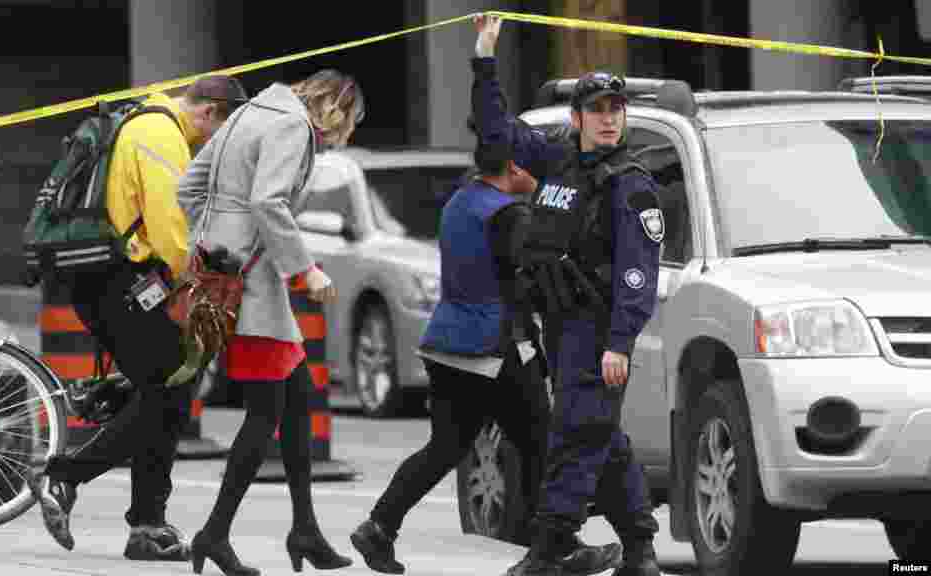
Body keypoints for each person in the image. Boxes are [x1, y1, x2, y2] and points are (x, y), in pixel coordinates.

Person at [470, 14, 663, 576]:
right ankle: (642, 550)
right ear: (577, 118)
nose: (608, 120)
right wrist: (485, 56)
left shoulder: (630, 183)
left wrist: (621, 342)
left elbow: (638, 272)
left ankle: (550, 549)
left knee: (577, 435)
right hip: (560, 323)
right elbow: (497, 132)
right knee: (603, 436)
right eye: (598, 111)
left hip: (600, 329)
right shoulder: (556, 159)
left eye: (616, 111)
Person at [27, 74, 249, 562]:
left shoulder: (147, 122)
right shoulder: (159, 133)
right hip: (119, 280)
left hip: (113, 278)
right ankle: (66, 475)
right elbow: (170, 226)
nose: (215, 145)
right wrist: (198, 277)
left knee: (168, 389)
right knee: (170, 385)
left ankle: (148, 526)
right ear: (209, 112)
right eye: (221, 133)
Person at [176, 69, 362, 576]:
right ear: (335, 107)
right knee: (265, 412)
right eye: (341, 127)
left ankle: (306, 530)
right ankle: (214, 535)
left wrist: (211, 242)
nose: (331, 141)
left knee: (297, 399)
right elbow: (268, 200)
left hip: (225, 271)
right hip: (252, 282)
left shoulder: (249, 112)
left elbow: (188, 186)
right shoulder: (292, 126)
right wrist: (306, 270)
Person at [349, 136, 551, 574]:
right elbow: (529, 279)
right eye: (536, 166)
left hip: (446, 343)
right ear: (515, 168)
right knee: (540, 442)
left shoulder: (461, 202)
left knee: (445, 447)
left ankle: (379, 527)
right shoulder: (510, 215)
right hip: (493, 348)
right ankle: (551, 551)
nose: (541, 175)